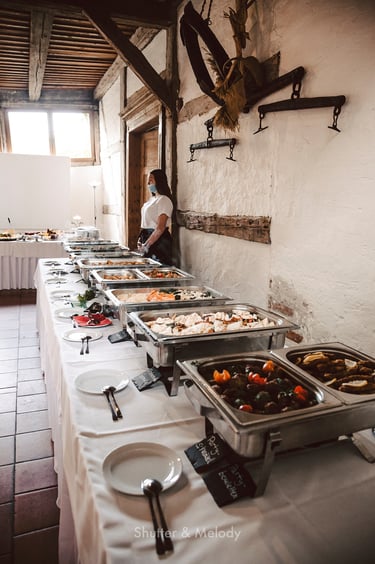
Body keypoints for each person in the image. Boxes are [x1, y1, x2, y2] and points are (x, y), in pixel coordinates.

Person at [137, 169, 174, 265]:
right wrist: (141, 240)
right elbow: (145, 223)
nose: (149, 183)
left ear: (159, 181)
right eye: (148, 181)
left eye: (151, 180)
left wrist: (147, 245)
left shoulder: (164, 200)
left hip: (159, 240)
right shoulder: (151, 200)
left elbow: (160, 228)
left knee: (158, 270)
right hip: (147, 237)